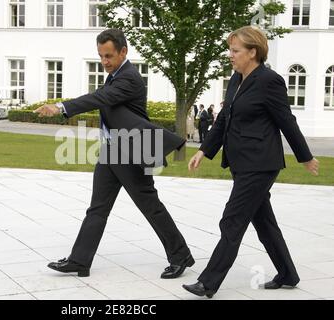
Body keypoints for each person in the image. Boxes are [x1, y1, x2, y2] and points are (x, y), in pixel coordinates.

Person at [35, 29, 194, 279]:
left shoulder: (129, 77)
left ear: (123, 51)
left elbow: (100, 98)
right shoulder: (115, 75)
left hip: (133, 151)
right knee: (97, 208)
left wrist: (60, 107)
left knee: (150, 206)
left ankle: (180, 255)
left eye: (108, 56)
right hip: (112, 151)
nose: (104, 62)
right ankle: (80, 261)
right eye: (100, 56)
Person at [183, 26, 319, 298]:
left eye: (235, 51)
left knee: (232, 221)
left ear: (253, 52)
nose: (230, 55)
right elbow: (224, 119)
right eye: (230, 50)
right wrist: (204, 150)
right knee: (264, 222)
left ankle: (208, 283)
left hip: (260, 164)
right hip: (240, 162)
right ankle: (288, 274)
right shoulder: (236, 79)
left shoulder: (270, 81)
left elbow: (286, 121)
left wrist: (305, 156)